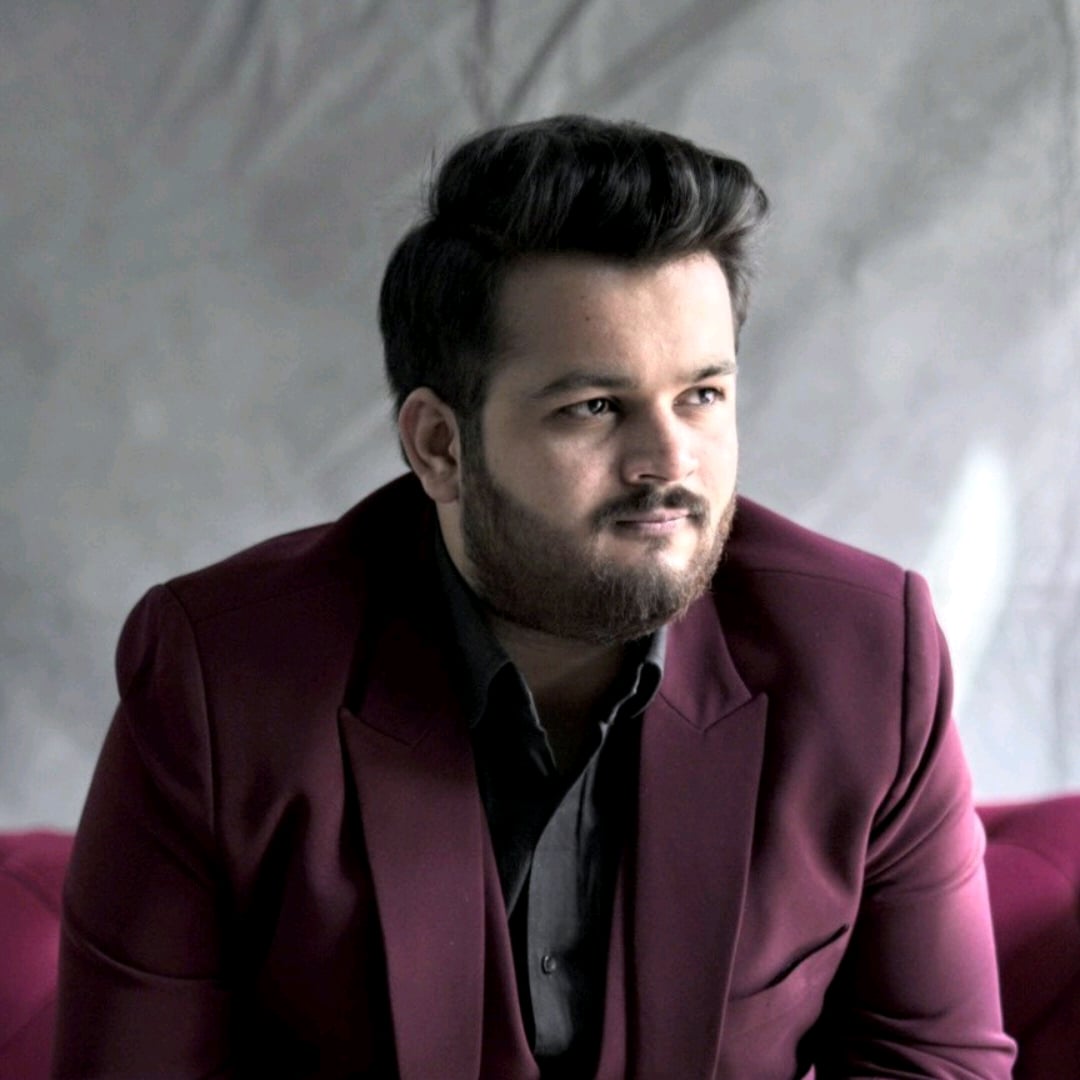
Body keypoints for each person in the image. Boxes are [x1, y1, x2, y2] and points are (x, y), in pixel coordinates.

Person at [54, 115, 1015, 1079]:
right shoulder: (220, 678)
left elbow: (933, 1063)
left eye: (702, 395)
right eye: (593, 408)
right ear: (439, 446)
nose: (669, 461)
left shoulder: (867, 656)